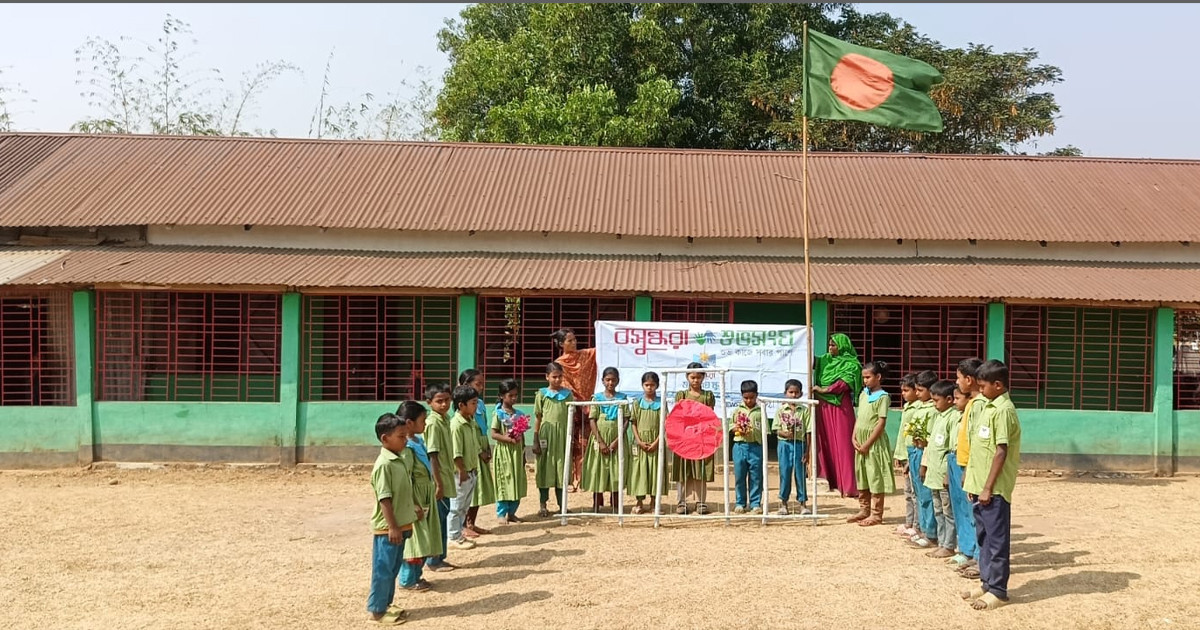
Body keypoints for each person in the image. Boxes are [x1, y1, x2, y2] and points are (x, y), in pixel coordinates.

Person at [960, 359, 1022, 611]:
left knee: (997, 541)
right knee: (983, 537)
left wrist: (987, 487)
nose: (980, 389)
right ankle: (986, 583)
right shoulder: (986, 405)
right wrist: (972, 481)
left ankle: (998, 590)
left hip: (993, 489)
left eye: (983, 385)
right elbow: (979, 448)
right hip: (980, 484)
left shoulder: (1004, 411)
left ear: (998, 385)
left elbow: (1000, 451)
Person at [366, 412, 418, 625]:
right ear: (385, 439)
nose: (405, 440)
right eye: (401, 436)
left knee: (394, 567)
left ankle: (387, 603)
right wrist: (393, 527)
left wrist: (412, 510)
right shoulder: (384, 464)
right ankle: (377, 610)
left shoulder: (400, 459)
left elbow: (403, 490)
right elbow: (384, 499)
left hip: (402, 523)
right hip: (388, 529)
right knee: (383, 569)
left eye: (406, 436)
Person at [811, 333, 863, 498]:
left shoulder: (851, 364)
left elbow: (844, 384)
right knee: (825, 441)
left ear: (842, 346)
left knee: (842, 443)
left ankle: (847, 485)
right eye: (829, 345)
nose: (830, 348)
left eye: (834, 345)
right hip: (823, 407)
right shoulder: (825, 360)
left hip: (840, 406)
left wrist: (823, 390)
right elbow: (810, 361)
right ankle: (830, 479)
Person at [421, 383, 465, 573]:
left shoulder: (445, 420)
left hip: (446, 477)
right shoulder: (432, 423)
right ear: (429, 402)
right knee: (437, 520)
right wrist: (437, 483)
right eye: (439, 401)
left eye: (447, 400)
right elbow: (433, 455)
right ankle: (434, 559)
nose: (445, 404)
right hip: (438, 480)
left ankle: (440, 556)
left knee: (443, 517)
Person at [398, 401, 440, 593]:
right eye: (422, 420)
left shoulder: (418, 442)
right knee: (415, 540)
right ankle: (408, 579)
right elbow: (405, 478)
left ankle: (417, 575)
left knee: (424, 538)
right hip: (416, 498)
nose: (425, 424)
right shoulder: (407, 449)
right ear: (409, 423)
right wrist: (413, 503)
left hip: (425, 495)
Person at [551, 328, 597, 493]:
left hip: (587, 407)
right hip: (570, 407)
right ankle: (570, 479)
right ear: (561, 344)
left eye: (575, 339)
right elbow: (561, 385)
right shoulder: (559, 364)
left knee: (585, 444)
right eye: (569, 340)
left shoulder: (586, 355)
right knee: (570, 443)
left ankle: (583, 478)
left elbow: (603, 350)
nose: (574, 343)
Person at [848, 361, 894, 526]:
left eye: (868, 377)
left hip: (873, 443)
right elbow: (859, 417)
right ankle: (864, 509)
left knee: (875, 476)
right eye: (863, 377)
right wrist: (853, 436)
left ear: (878, 377)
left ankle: (876, 513)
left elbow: (880, 423)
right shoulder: (863, 394)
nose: (865, 380)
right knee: (862, 474)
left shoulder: (883, 397)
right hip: (860, 440)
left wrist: (867, 443)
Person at [953, 357, 987, 578]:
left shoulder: (980, 404)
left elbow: (978, 441)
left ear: (969, 379)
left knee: (979, 517)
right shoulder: (973, 404)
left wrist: (968, 469)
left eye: (958, 378)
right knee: (968, 512)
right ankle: (974, 555)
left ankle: (981, 560)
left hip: (973, 467)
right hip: (962, 462)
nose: (958, 382)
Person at [921, 380, 959, 559]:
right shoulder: (938, 416)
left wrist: (946, 474)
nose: (934, 404)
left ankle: (949, 544)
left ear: (950, 399)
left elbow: (952, 450)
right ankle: (942, 541)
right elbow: (930, 444)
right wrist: (925, 465)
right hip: (933, 474)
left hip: (942, 475)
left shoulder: (953, 417)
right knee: (938, 510)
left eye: (937, 400)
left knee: (947, 511)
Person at [673, 362, 716, 515]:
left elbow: (709, 415)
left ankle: (701, 501)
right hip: (684, 438)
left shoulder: (708, 396)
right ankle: (682, 501)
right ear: (687, 377)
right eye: (692, 377)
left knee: (700, 470)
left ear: (703, 377)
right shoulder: (681, 395)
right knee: (684, 470)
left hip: (701, 439)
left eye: (698, 377)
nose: (695, 380)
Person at [458, 370, 495, 539]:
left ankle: (472, 521)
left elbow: (483, 426)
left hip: (482, 442)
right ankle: (464, 525)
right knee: (469, 488)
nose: (481, 387)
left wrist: (487, 447)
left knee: (479, 487)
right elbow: (469, 430)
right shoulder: (463, 406)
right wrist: (479, 451)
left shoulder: (479, 403)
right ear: (466, 385)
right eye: (477, 384)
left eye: (482, 384)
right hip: (472, 447)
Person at [534, 361, 573, 517]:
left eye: (560, 377)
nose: (557, 380)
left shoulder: (568, 394)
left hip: (563, 435)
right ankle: (543, 505)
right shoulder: (542, 394)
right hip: (546, 435)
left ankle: (562, 504)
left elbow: (572, 416)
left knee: (561, 468)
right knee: (545, 468)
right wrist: (536, 439)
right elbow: (538, 417)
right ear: (547, 377)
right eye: (554, 377)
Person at [582, 367, 624, 513]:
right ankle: (596, 502)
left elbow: (625, 421)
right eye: (608, 380)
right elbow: (592, 419)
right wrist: (600, 441)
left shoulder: (622, 399)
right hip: (599, 439)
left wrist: (617, 440)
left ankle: (616, 503)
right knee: (597, 469)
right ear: (603, 381)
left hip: (616, 439)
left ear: (618, 381)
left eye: (613, 380)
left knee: (616, 469)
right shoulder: (597, 398)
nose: (610, 383)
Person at [447, 385, 482, 551]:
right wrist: (461, 471)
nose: (476, 406)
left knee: (464, 506)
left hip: (471, 470)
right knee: (456, 506)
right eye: (473, 403)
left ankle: (459, 533)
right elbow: (456, 452)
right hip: (461, 472)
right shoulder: (456, 425)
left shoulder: (470, 422)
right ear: (461, 405)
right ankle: (452, 536)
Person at [908, 370, 940, 548]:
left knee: (927, 495)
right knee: (919, 494)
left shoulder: (934, 410)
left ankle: (931, 533)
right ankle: (921, 528)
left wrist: (924, 461)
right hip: (915, 450)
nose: (917, 393)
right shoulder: (919, 406)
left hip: (924, 452)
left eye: (920, 390)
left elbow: (932, 438)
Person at [490, 379, 528, 525]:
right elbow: (494, 434)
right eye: (510, 395)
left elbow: (522, 435)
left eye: (515, 395)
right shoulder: (498, 414)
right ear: (501, 396)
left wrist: (523, 452)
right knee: (504, 480)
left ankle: (512, 512)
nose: (513, 398)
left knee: (516, 480)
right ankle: (501, 513)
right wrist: (507, 438)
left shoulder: (519, 414)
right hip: (504, 452)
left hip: (517, 452)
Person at [945, 384, 975, 569]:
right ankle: (964, 549)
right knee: (958, 508)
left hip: (965, 463)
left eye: (957, 398)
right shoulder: (955, 416)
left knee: (969, 509)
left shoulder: (972, 416)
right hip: (953, 458)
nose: (954, 402)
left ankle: (973, 551)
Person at [627, 371, 664, 515]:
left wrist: (657, 442)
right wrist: (638, 440)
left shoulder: (661, 403)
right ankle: (639, 502)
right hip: (640, 442)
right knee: (640, 472)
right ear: (642, 386)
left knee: (655, 472)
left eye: (652, 385)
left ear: (657, 386)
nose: (649, 388)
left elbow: (664, 424)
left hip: (656, 441)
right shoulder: (637, 403)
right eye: (647, 385)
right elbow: (633, 423)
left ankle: (654, 503)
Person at [774, 378, 811, 516]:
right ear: (785, 393)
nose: (793, 395)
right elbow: (776, 429)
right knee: (785, 473)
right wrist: (785, 433)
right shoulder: (781, 410)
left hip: (799, 444)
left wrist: (807, 451)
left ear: (801, 394)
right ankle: (783, 503)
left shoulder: (804, 410)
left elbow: (808, 431)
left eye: (796, 392)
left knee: (800, 474)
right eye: (791, 392)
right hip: (784, 445)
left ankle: (802, 503)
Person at [731, 380, 765, 514]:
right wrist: (738, 429)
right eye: (746, 398)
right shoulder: (737, 411)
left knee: (756, 476)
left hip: (755, 447)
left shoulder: (760, 411)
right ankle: (740, 503)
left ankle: (755, 503)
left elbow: (764, 431)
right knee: (739, 476)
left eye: (752, 397)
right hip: (740, 446)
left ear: (757, 395)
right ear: (741, 396)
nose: (749, 400)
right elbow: (731, 427)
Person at [892, 374, 919, 540]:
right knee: (908, 492)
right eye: (902, 390)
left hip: (912, 453)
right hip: (904, 452)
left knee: (915, 493)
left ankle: (916, 525)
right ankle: (909, 522)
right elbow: (902, 433)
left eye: (906, 390)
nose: (903, 393)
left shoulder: (917, 409)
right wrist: (897, 453)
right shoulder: (908, 406)